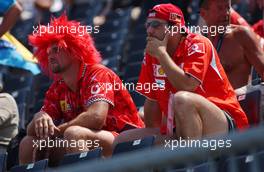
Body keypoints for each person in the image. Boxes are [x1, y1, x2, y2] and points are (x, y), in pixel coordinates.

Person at [114, 3, 248, 146]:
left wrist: (161, 54)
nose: (150, 31)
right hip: (182, 128)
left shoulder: (197, 43)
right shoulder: (152, 56)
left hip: (223, 122)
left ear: (175, 28)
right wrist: (157, 140)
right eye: (147, 25)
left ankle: (194, 165)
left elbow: (188, 85)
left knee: (182, 99)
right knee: (121, 141)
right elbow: (152, 114)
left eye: (156, 25)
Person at [19, 14, 144, 165]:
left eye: (56, 49)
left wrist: (58, 131)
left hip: (127, 140)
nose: (50, 55)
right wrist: (39, 117)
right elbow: (32, 131)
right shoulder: (58, 87)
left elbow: (96, 118)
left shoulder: (98, 73)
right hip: (91, 140)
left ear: (73, 49)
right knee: (29, 143)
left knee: (74, 133)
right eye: (47, 52)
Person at [199, 0, 264, 90]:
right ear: (203, 14)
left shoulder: (241, 35)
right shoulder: (198, 41)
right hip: (204, 101)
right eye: (220, 8)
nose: (226, 13)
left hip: (234, 101)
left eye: (228, 8)